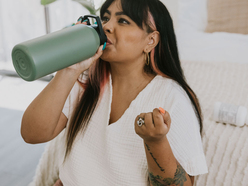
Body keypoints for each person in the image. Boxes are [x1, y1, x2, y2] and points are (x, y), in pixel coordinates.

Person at [21, 0, 208, 185]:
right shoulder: (85, 80)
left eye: (123, 21)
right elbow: (31, 134)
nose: (107, 26)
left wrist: (156, 142)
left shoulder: (173, 97)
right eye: (105, 18)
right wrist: (68, 70)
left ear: (150, 40)